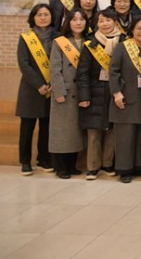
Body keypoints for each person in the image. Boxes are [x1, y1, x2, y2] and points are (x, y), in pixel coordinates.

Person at [109, 15, 141, 183]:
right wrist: (116, 92)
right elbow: (113, 71)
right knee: (125, 135)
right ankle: (124, 169)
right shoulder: (122, 47)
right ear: (132, 29)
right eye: (139, 28)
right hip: (126, 96)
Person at [76, 9, 123, 179]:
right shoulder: (90, 45)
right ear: (96, 24)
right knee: (94, 131)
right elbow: (82, 73)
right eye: (101, 21)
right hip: (94, 92)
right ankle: (93, 166)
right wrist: (84, 96)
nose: (105, 24)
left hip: (115, 91)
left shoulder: (123, 42)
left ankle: (107, 163)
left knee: (112, 130)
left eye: (108, 20)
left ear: (115, 22)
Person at [16, 4, 57, 175]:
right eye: (39, 14)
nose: (43, 18)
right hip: (31, 89)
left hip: (51, 88)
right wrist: (39, 84)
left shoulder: (57, 36)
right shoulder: (26, 37)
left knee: (46, 127)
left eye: (46, 14)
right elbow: (24, 64)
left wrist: (53, 83)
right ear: (33, 17)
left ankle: (43, 159)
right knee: (27, 128)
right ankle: (25, 161)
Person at [48, 9, 88, 178]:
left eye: (82, 19)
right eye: (74, 19)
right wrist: (58, 91)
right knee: (62, 130)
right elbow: (54, 69)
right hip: (64, 92)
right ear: (68, 22)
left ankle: (72, 165)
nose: (78, 23)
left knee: (75, 131)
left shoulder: (88, 42)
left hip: (81, 92)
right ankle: (60, 167)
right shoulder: (60, 42)